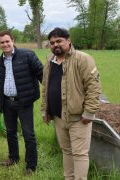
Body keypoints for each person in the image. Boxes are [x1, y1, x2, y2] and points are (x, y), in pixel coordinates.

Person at [41, 27, 101, 179]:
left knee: (80, 154)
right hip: (59, 117)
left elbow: (93, 87)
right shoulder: (49, 61)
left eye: (59, 41)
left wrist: (89, 112)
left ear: (69, 40)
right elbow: (45, 87)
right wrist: (45, 110)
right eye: (52, 42)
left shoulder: (82, 59)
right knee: (66, 151)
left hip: (78, 118)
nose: (55, 45)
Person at [0, 31, 43, 174]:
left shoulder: (27, 55)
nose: (5, 44)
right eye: (2, 42)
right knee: (10, 132)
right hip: (7, 103)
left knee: (28, 134)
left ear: (13, 40)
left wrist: (50, 94)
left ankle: (31, 166)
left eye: (7, 41)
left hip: (24, 102)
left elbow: (42, 74)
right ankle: (13, 158)